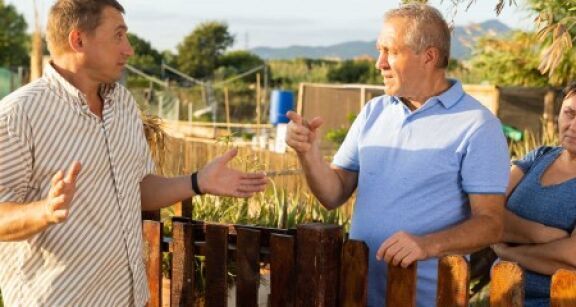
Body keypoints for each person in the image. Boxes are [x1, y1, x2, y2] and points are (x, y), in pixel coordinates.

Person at [0, 0, 267, 305]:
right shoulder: (17, 115)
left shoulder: (123, 104)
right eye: (118, 36)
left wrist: (197, 181)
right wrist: (45, 211)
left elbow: (138, 187)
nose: (129, 49)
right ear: (78, 40)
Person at [286, 3, 509, 306]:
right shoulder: (373, 111)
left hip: (427, 298)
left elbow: (491, 223)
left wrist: (426, 245)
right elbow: (333, 193)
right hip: (357, 291)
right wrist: (308, 153)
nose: (380, 63)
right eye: (380, 50)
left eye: (390, 51)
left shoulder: (478, 125)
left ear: (428, 56)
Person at [492, 83, 576, 307]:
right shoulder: (539, 157)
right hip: (502, 297)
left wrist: (507, 252)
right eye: (570, 113)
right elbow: (488, 211)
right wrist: (541, 234)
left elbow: (571, 257)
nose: (574, 126)